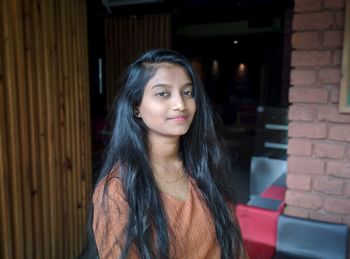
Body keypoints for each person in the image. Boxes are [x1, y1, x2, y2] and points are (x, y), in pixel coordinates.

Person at [91, 49, 246, 259]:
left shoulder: (204, 164)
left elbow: (234, 246)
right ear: (137, 107)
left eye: (188, 92)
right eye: (162, 93)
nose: (180, 104)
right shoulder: (118, 190)